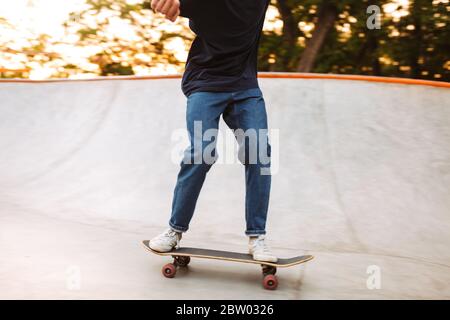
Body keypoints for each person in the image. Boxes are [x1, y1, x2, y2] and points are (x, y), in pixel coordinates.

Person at [149, 0, 277, 262]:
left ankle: (257, 236)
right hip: (205, 83)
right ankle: (174, 229)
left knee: (259, 151)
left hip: (244, 86)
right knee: (201, 152)